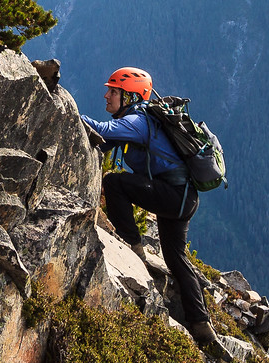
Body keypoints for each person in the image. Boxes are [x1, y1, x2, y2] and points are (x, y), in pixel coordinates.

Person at [80, 67, 217, 345]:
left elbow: (100, 129)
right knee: (176, 258)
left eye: (114, 91)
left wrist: (63, 104)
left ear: (130, 96)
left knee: (116, 184)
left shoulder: (138, 120)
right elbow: (108, 140)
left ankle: (133, 246)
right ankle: (201, 325)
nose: (106, 95)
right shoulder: (139, 119)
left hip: (174, 195)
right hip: (183, 197)